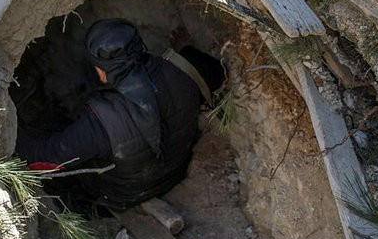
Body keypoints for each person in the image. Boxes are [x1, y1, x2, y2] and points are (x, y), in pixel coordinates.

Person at [15, 18, 225, 210]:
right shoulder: (182, 71)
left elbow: (45, 162)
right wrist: (187, 51)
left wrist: (7, 127)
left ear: (100, 70)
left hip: (123, 195)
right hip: (174, 174)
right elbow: (219, 74)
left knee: (50, 127)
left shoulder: (100, 121)